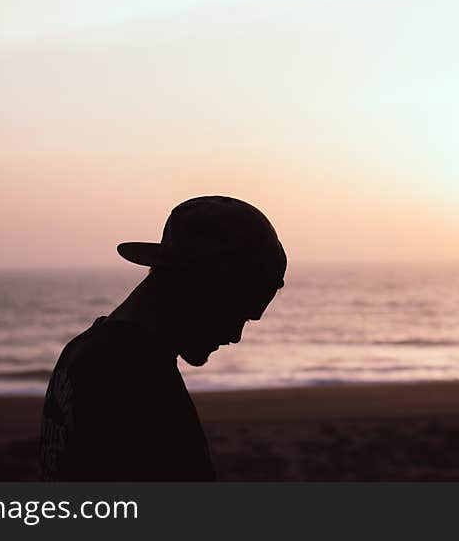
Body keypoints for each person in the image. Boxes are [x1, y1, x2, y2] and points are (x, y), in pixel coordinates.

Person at [39, 195, 286, 480]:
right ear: (204, 288)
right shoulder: (134, 374)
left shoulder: (82, 351)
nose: (235, 336)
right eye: (239, 315)